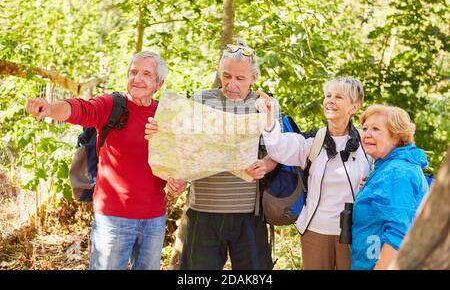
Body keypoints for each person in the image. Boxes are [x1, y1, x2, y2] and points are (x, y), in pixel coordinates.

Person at [26, 50, 181, 270]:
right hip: (113, 219)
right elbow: (81, 109)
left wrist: (179, 181)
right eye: (133, 72)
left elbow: (178, 160)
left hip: (154, 219)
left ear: (159, 83)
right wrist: (51, 109)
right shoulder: (111, 106)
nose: (137, 78)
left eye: (146, 74)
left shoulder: (166, 116)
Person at [145, 40, 281, 270]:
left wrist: (266, 165)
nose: (231, 84)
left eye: (240, 78)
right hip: (203, 212)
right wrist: (162, 137)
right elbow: (184, 147)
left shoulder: (266, 105)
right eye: (226, 76)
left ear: (254, 78)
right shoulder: (202, 99)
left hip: (249, 213)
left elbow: (277, 150)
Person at [257, 76, 371, 270]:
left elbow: (387, 171)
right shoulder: (313, 140)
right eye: (328, 95)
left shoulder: (367, 142)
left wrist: (372, 182)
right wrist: (268, 119)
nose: (330, 101)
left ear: (354, 106)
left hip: (356, 231)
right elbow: (279, 148)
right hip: (315, 231)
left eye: (339, 97)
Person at [351, 104, 429, 270]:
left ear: (396, 136)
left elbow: (398, 234)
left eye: (376, 129)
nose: (367, 134)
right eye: (365, 128)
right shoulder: (386, 167)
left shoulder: (397, 172)